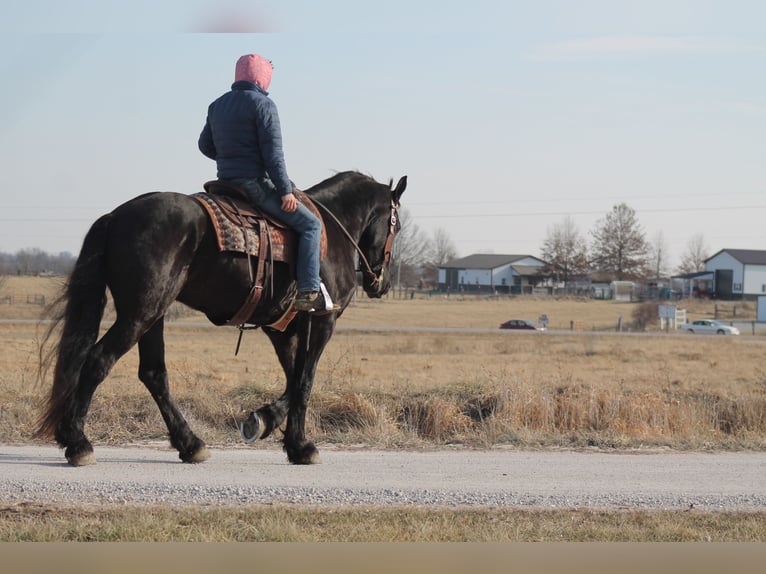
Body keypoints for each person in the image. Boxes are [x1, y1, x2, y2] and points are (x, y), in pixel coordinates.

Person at [199, 53, 324, 312]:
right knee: (311, 225)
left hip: (224, 183)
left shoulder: (216, 105)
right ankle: (309, 289)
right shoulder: (264, 105)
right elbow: (273, 156)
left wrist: (228, 157)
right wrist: (285, 191)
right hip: (254, 185)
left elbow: (204, 145)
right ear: (263, 77)